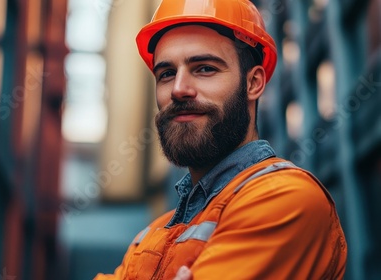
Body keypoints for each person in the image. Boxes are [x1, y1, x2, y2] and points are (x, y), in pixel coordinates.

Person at [94, 0, 347, 279]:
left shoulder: (285, 199)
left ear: (253, 83)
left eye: (204, 69)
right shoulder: (150, 237)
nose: (178, 89)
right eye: (166, 74)